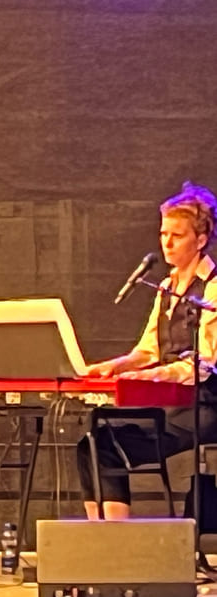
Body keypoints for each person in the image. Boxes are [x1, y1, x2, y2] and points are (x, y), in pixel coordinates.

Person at [78, 182, 217, 520]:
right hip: (172, 402)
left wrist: (150, 376)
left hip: (205, 404)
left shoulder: (213, 287)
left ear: (200, 241)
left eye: (177, 235)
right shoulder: (167, 287)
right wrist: (112, 367)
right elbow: (148, 349)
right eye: (163, 233)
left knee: (106, 444)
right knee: (93, 442)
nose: (166, 242)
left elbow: (202, 364)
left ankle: (118, 547)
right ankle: (105, 542)